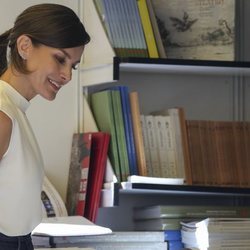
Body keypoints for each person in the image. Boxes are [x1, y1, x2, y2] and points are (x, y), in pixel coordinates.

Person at [0, 3, 90, 250]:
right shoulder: (3, 114)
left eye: (73, 65)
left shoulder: (14, 110)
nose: (67, 75)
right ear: (25, 46)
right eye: (60, 59)